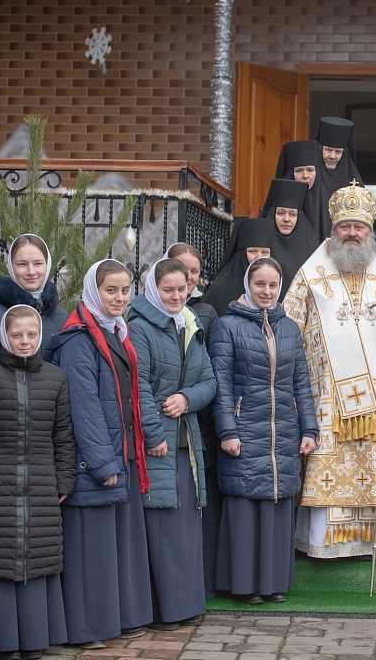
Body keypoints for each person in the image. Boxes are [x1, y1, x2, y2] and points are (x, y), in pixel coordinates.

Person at [285, 183, 376, 558]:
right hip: (325, 393)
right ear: (334, 230)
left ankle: (370, 540)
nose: (351, 233)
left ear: (369, 231)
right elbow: (288, 324)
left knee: (371, 461)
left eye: (358, 227)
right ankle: (322, 541)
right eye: (344, 226)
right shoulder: (311, 273)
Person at [0, 304, 75, 660]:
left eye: (31, 334)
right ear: (4, 337)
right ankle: (0, 641)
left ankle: (34, 638)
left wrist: (65, 477)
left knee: (37, 555)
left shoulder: (56, 378)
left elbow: (63, 434)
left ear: (40, 336)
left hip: (42, 482)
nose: (24, 341)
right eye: (16, 335)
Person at [52, 260, 153, 647]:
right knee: (91, 550)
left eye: (125, 290)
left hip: (121, 452)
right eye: (111, 290)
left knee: (117, 547)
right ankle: (86, 629)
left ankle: (119, 619)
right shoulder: (79, 338)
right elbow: (84, 405)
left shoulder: (116, 331)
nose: (120, 297)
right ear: (93, 291)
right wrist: (101, 462)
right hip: (96, 460)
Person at [210, 257, 319, 603]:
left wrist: (309, 429)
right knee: (245, 504)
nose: (266, 291)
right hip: (245, 428)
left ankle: (272, 584)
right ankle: (244, 585)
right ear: (248, 284)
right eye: (260, 284)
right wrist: (228, 431)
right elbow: (221, 384)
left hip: (283, 429)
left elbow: (301, 383)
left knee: (276, 501)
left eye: (273, 285)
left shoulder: (290, 328)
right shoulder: (227, 326)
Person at [128, 258, 217, 630]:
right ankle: (164, 610)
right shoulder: (139, 328)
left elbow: (209, 381)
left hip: (186, 440)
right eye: (168, 290)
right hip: (158, 443)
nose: (177, 296)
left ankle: (185, 605)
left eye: (182, 289)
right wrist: (153, 434)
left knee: (184, 528)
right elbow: (138, 387)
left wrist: (186, 399)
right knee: (162, 526)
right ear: (153, 289)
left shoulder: (190, 323)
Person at [165, 242, 220, 600]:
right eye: (180, 269)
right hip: (164, 427)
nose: (187, 277)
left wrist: (191, 398)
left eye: (194, 271)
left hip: (198, 424)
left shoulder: (205, 314)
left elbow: (210, 374)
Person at [0, 234, 69, 364]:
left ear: (47, 264)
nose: (31, 271)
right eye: (22, 264)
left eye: (38, 263)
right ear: (11, 266)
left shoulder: (61, 317)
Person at [260, 179, 320, 300]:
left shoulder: (313, 249)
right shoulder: (260, 246)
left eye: (292, 214)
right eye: (281, 213)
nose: (286, 219)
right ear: (273, 214)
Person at [201, 218, 274, 316]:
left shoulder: (275, 286)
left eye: (265, 252)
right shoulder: (220, 289)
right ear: (242, 254)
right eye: (252, 251)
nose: (258, 257)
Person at [311, 117, 363, 240]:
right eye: (328, 150)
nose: (332, 156)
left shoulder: (355, 183)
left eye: (338, 152)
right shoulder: (308, 177)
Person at [272, 139, 330, 240]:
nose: (305, 176)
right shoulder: (278, 201)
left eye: (310, 170)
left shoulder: (326, 203)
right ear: (291, 174)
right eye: (299, 171)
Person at [167, 243, 218, 341]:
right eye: (183, 269)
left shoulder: (208, 312)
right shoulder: (149, 308)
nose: (189, 277)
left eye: (194, 271)